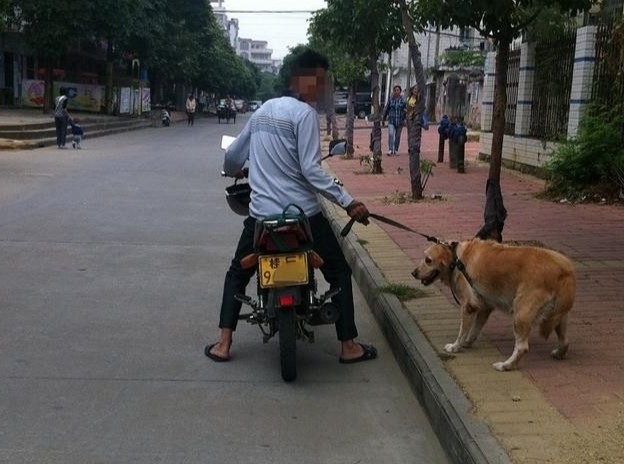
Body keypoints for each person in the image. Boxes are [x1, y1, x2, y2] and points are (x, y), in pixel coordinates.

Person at [205, 90, 377, 365]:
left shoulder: (260, 113)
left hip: (263, 217)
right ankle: (349, 346)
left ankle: (223, 344)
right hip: (304, 216)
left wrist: (235, 169)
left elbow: (234, 155)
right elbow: (310, 170)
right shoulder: (304, 114)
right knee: (339, 272)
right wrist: (347, 201)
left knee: (237, 273)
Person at [382, 85, 406, 156]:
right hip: (391, 120)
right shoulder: (390, 99)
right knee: (391, 134)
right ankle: (390, 149)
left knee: (398, 136)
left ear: (400, 91)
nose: (396, 92)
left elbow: (406, 110)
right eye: (395, 90)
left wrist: (404, 117)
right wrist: (383, 119)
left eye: (398, 90)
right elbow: (386, 109)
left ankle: (395, 149)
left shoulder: (403, 100)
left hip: (400, 121)